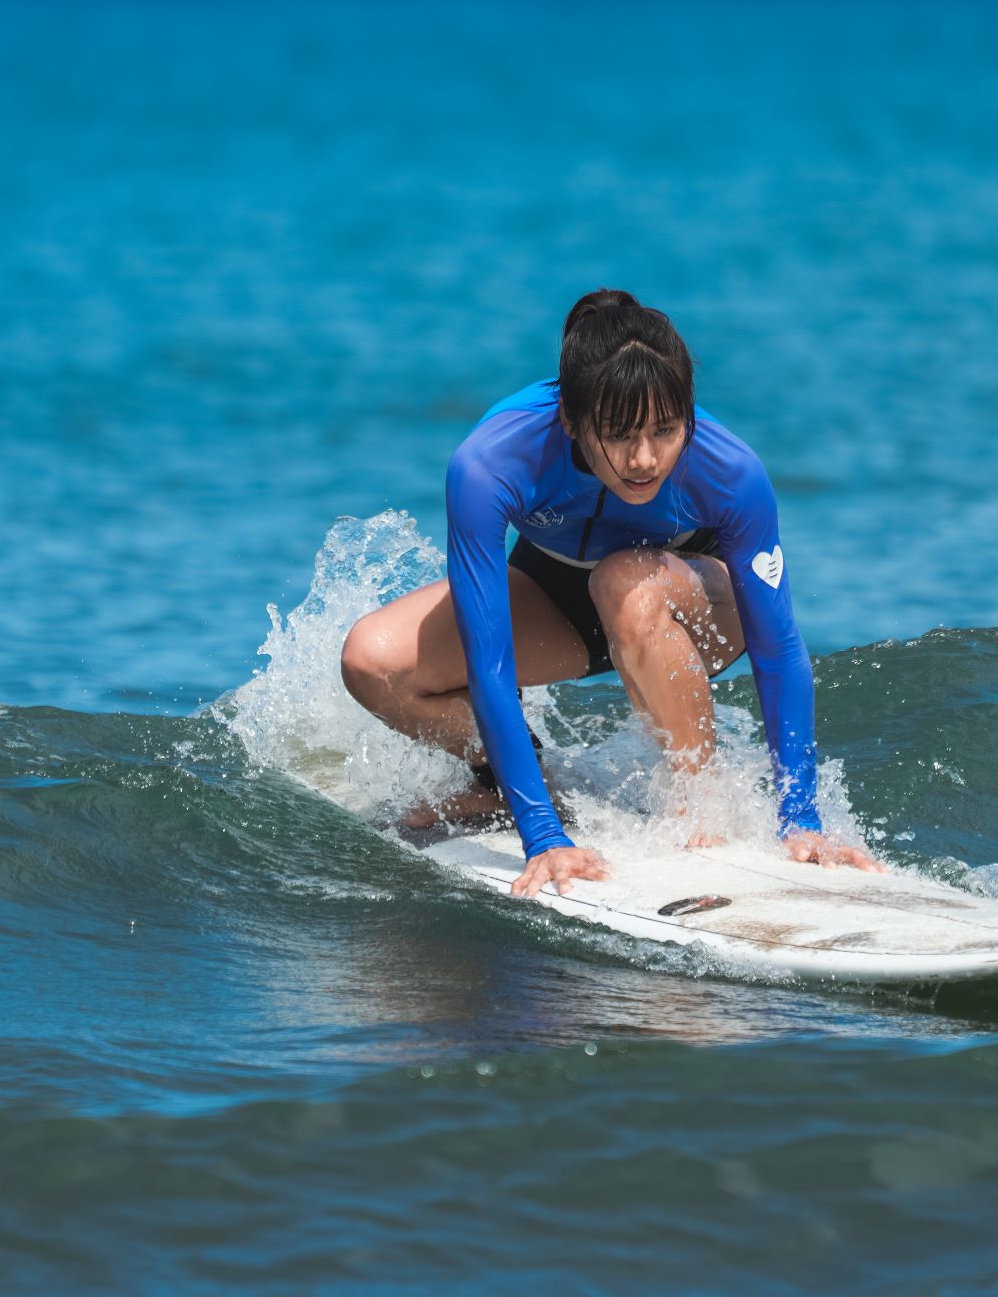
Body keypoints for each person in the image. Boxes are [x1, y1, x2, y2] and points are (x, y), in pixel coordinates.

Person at [340, 289, 880, 898]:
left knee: (623, 581)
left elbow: (778, 650)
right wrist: (543, 836)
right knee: (373, 659)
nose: (645, 458)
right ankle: (510, 783)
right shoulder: (491, 464)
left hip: (690, 607)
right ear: (571, 419)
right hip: (555, 606)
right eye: (619, 435)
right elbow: (490, 662)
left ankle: (702, 803)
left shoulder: (730, 472)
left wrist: (800, 818)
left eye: (667, 431)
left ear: (690, 418)